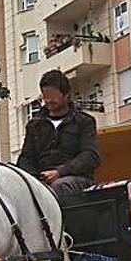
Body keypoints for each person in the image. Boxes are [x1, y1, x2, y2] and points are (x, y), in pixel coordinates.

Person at [17, 69, 101, 197]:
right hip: (41, 180)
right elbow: (26, 158)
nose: (49, 100)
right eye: (45, 96)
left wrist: (59, 172)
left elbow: (90, 156)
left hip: (75, 179)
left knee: (59, 187)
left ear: (66, 94)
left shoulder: (84, 122)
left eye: (53, 96)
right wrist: (34, 178)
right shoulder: (34, 125)